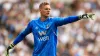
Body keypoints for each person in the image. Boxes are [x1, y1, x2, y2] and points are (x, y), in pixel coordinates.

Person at [5, 2, 95, 56]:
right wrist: (12, 45)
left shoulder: (53, 21)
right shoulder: (33, 23)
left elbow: (67, 20)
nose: (48, 10)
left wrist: (82, 16)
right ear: (40, 10)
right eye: (46, 9)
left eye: (49, 9)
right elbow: (22, 34)